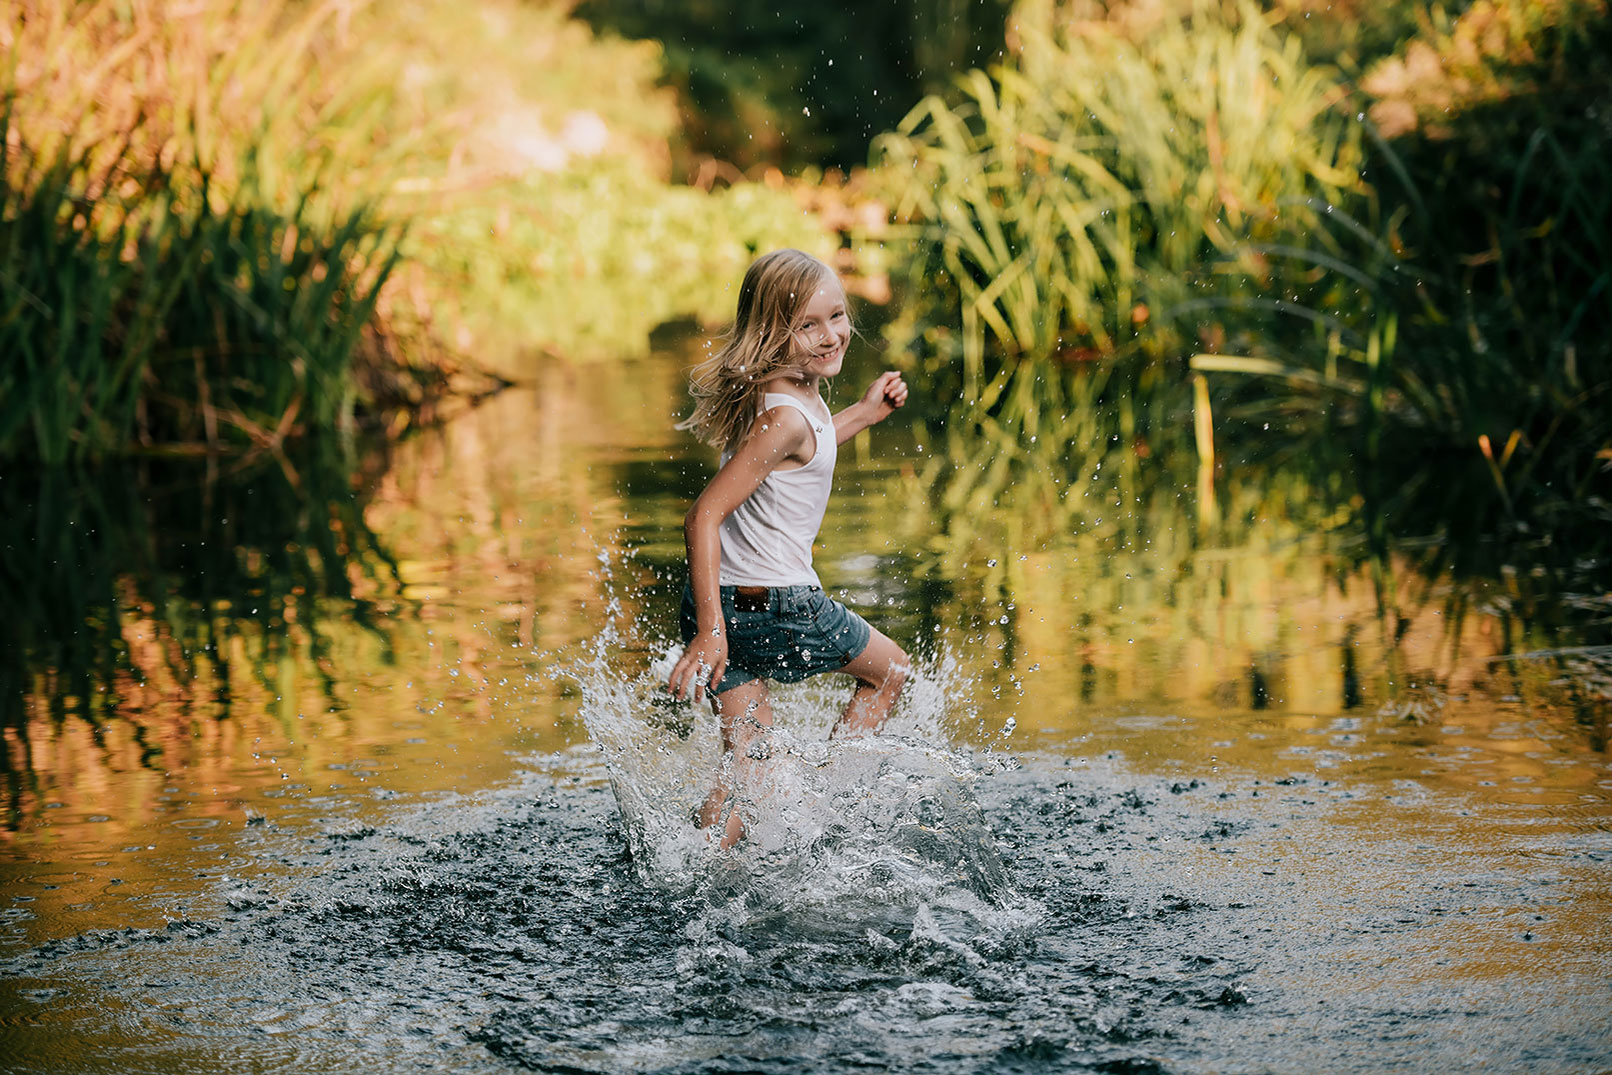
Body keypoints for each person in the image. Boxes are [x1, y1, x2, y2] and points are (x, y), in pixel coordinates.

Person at [666, 248, 911, 847]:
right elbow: (703, 515)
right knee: (891, 673)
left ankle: (695, 868)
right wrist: (710, 633)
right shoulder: (786, 419)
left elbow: (811, 445)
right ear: (774, 333)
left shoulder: (785, 398)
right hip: (774, 604)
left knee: (746, 770)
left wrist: (864, 413)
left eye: (837, 316)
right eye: (808, 325)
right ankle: (828, 807)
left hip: (728, 601)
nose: (831, 336)